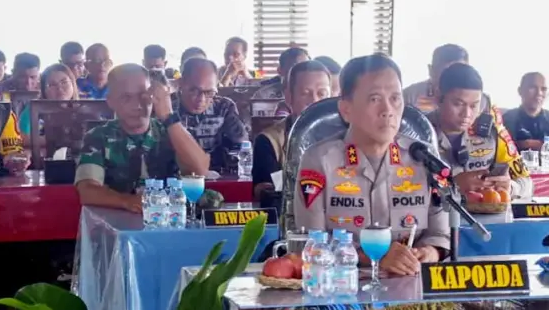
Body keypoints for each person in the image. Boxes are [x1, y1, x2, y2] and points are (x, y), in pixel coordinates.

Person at [294, 53, 450, 276]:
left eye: (395, 98)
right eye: (375, 99)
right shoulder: (320, 161)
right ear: (346, 110)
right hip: (345, 291)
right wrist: (375, 258)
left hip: (412, 287)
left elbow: (441, 236)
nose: (388, 110)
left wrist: (428, 253)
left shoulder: (423, 158)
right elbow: (312, 244)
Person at [75, 64, 209, 212]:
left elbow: (199, 172)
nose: (137, 105)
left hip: (168, 221)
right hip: (116, 225)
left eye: (143, 96)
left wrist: (169, 117)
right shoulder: (99, 136)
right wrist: (127, 201)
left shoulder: (171, 131)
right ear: (111, 101)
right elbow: (87, 190)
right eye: (126, 97)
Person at [427, 63, 533, 216]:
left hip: (486, 227)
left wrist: (510, 188)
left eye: (474, 105)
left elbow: (527, 183)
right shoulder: (417, 133)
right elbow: (398, 192)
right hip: (433, 228)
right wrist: (452, 186)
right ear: (438, 97)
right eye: (458, 104)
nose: (467, 114)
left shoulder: (493, 134)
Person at [253, 60, 331, 200]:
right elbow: (269, 193)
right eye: (305, 93)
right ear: (289, 97)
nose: (314, 101)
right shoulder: (269, 140)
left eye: (322, 93)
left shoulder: (344, 135)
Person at [175, 57, 246, 172]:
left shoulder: (223, 108)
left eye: (209, 92)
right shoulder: (168, 109)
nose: (201, 99)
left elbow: (241, 148)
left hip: (217, 177)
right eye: (194, 90)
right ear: (181, 84)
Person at [502, 72, 549, 151]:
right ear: (520, 91)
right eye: (533, 87)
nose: (539, 93)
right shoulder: (507, 119)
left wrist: (530, 144)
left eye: (544, 89)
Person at [19, 63, 79, 142]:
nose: (59, 88)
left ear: (73, 84)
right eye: (52, 85)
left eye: (64, 82)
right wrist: (56, 141)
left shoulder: (85, 109)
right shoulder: (33, 109)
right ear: (44, 90)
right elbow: (21, 138)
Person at [404, 44, 468, 113]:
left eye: (460, 73)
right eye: (447, 73)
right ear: (431, 71)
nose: (454, 79)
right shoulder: (410, 97)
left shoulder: (477, 99)